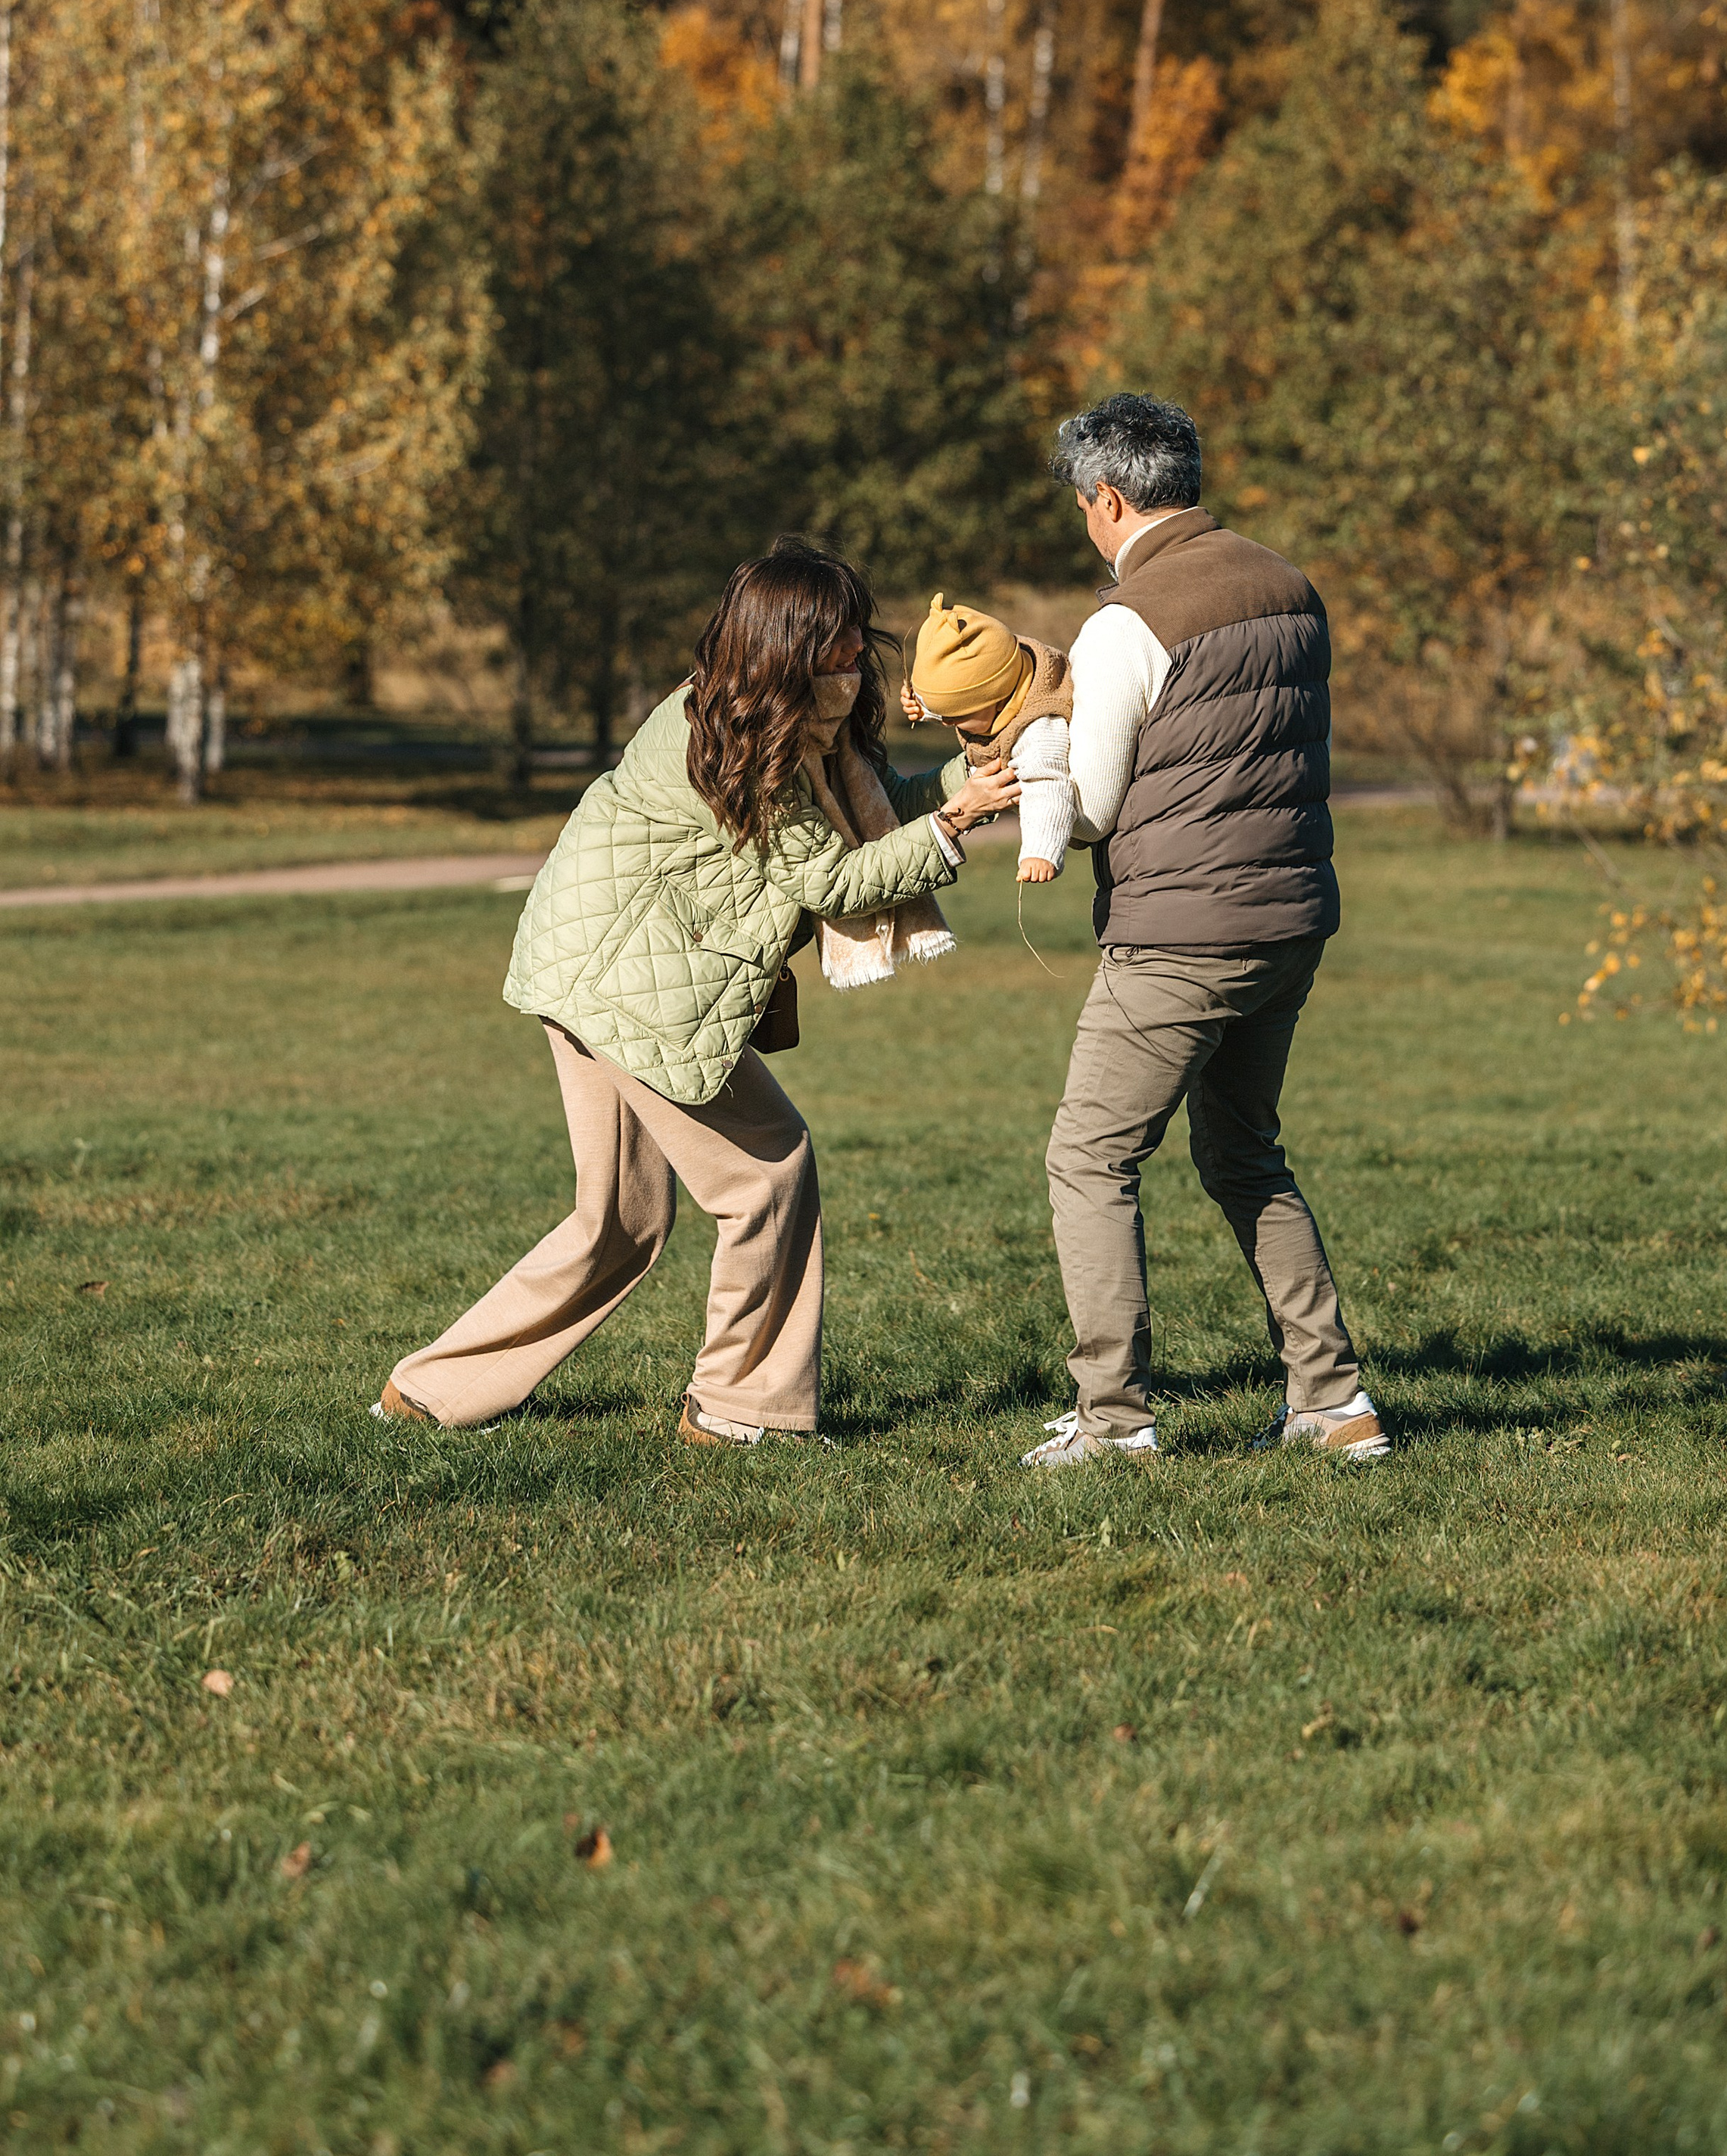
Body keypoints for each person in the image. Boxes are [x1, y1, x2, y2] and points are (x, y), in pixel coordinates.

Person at [372, 538, 1019, 1445]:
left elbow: (874, 810)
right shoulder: (734, 744)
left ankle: (433, 1391)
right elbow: (832, 881)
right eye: (836, 645)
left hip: (590, 973)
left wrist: (970, 783)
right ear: (788, 646)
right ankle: (740, 1410)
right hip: (631, 988)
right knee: (767, 1175)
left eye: (854, 642)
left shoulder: (767, 719)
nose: (855, 661)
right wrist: (958, 822)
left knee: (621, 1221)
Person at [1021, 394, 1387, 1470]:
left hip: (1178, 933)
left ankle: (1115, 1419)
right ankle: (1335, 1401)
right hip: (1289, 923)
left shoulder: (1127, 620)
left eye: (1085, 507)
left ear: (1111, 497)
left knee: (1089, 1158)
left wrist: (1038, 745)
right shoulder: (1291, 584)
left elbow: (1089, 807)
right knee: (1244, 1155)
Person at [901, 592, 1075, 883]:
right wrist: (925, 708)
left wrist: (1041, 851)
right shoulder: (1006, 677)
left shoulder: (1039, 730)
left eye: (954, 717)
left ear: (996, 699)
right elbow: (962, 695)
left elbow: (1048, 786)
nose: (945, 724)